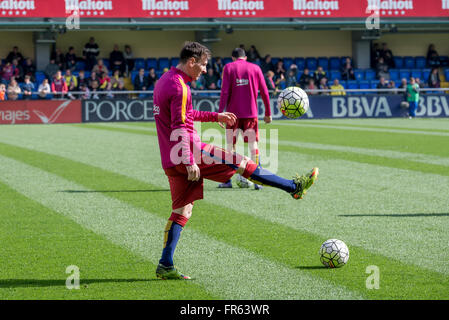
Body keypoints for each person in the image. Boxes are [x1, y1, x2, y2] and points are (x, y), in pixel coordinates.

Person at [153, 41, 319, 280]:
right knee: (240, 162)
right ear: (191, 62)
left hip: (170, 157)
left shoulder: (166, 80)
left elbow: (185, 116)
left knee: (182, 210)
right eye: (202, 65)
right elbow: (179, 125)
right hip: (189, 151)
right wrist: (190, 159)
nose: (204, 70)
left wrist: (215, 115)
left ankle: (165, 265)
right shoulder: (181, 87)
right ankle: (294, 187)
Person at [217, 47, 272, 190]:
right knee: (253, 146)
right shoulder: (255, 68)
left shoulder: (228, 67)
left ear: (233, 58)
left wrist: (219, 113)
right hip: (251, 114)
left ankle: (227, 180)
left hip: (232, 115)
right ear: (245, 57)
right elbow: (265, 92)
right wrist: (268, 113)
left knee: (230, 148)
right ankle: (258, 180)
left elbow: (224, 92)